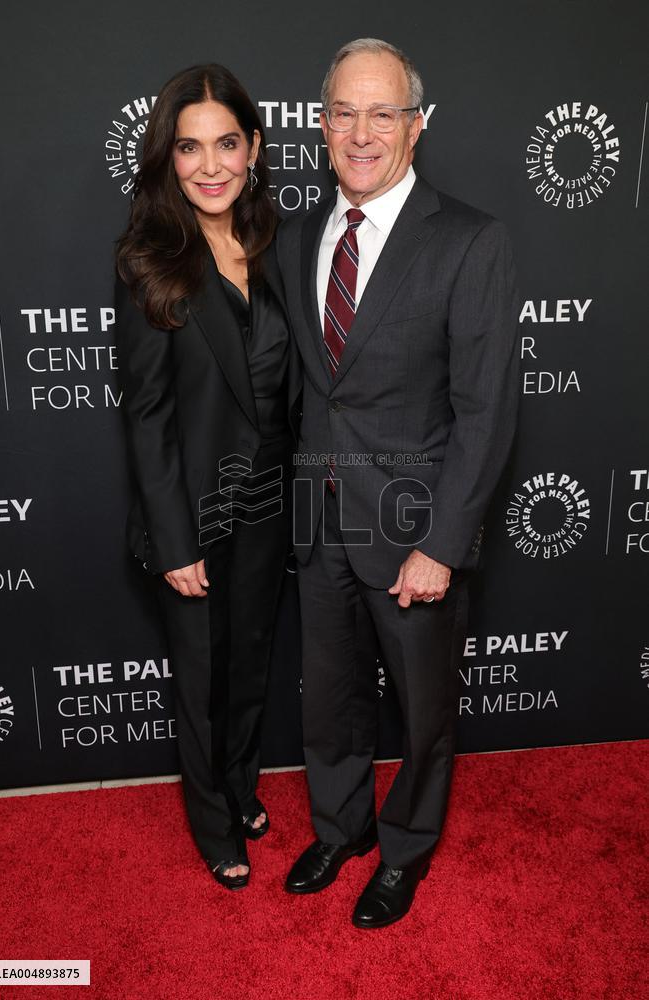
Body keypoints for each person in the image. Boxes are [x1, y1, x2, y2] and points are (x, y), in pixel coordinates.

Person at [278, 38, 519, 927]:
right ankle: (340, 828)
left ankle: (406, 849)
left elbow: (486, 411)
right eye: (344, 112)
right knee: (331, 697)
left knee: (421, 713)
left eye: (383, 113)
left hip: (415, 529)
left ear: (416, 126)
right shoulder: (299, 236)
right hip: (318, 521)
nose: (361, 132)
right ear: (323, 125)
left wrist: (442, 545)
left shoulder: (469, 241)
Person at [115, 64, 300, 890]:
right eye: (189, 148)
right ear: (168, 158)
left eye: (227, 142)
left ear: (255, 147)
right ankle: (212, 818)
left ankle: (240, 784)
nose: (211, 165)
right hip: (192, 510)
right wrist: (172, 536)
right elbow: (147, 416)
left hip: (267, 500)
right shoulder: (150, 261)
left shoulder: (278, 242)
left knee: (252, 655)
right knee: (201, 670)